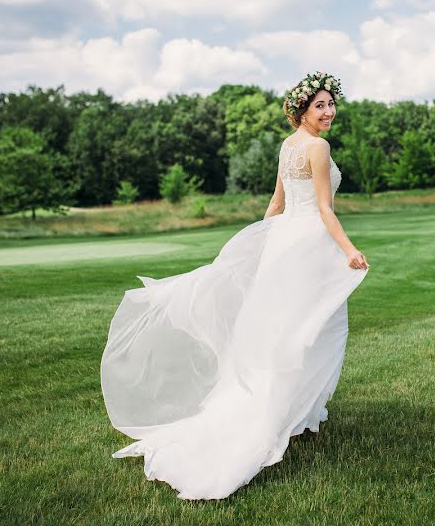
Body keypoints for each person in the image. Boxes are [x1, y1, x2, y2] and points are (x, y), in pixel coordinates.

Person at [100, 71, 370, 500]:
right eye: (320, 105)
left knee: (287, 330)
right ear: (302, 109)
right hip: (310, 245)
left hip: (287, 243)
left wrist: (264, 244)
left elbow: (277, 205)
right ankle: (289, 417)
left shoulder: (288, 145)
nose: (329, 111)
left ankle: (299, 417)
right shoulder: (318, 147)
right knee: (314, 331)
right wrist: (350, 251)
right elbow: (323, 208)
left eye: (331, 104)